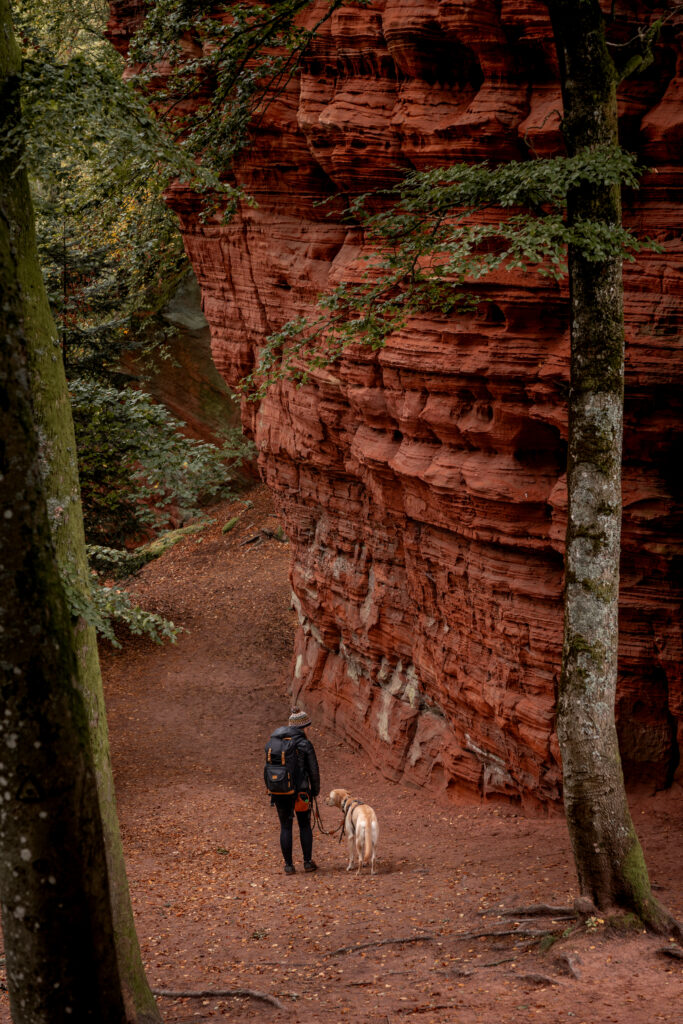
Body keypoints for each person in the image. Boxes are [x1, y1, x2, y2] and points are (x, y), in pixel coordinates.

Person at [269, 707, 320, 874]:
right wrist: (315, 790)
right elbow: (313, 770)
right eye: (308, 726)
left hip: (281, 791)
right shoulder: (305, 744)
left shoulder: (276, 742)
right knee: (304, 825)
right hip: (301, 793)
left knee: (285, 826)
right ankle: (307, 862)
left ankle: (289, 865)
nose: (309, 729)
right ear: (303, 727)